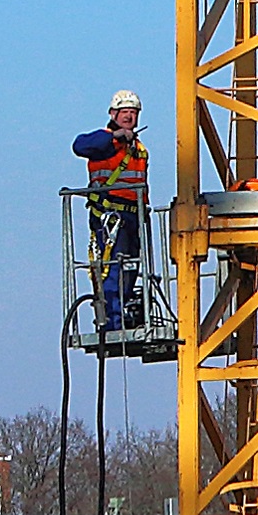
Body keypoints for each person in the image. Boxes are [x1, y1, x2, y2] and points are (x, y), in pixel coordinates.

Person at [71, 90, 154, 343]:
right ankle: (111, 324)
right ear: (113, 115)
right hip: (111, 217)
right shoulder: (104, 142)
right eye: (124, 112)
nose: (129, 117)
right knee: (112, 269)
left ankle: (124, 317)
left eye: (133, 113)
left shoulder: (139, 148)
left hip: (135, 218)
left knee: (131, 269)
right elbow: (79, 145)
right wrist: (116, 137)